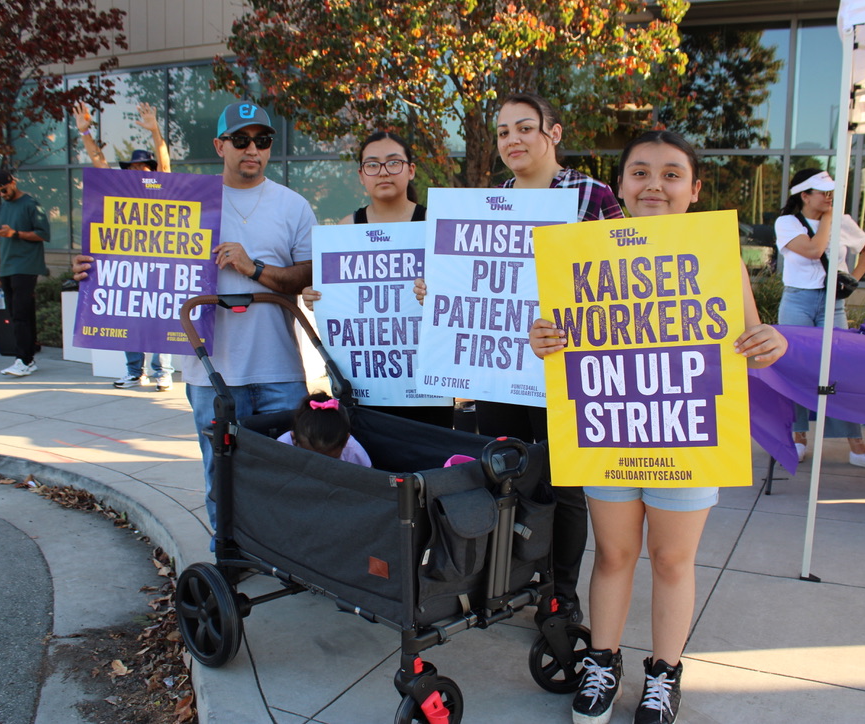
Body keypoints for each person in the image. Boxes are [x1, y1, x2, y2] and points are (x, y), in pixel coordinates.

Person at [528, 130, 787, 724]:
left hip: (686, 429)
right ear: (620, 185)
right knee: (613, 553)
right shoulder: (581, 252)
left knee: (672, 559)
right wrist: (541, 339)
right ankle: (603, 660)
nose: (654, 184)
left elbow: (754, 340)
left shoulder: (716, 254)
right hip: (609, 426)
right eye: (640, 172)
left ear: (694, 189)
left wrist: (772, 339)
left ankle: (664, 673)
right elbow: (552, 332)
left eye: (671, 174)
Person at [417, 92, 624, 626]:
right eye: (504, 131)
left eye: (524, 128)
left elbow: (621, 271)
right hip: (498, 366)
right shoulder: (493, 201)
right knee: (506, 471)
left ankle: (561, 595)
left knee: (565, 483)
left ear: (552, 134)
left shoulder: (591, 194)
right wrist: (438, 289)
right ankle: (509, 578)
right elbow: (474, 281)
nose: (512, 139)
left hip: (562, 365)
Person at [74, 101, 316, 532]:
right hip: (211, 371)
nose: (252, 150)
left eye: (262, 141)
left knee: (289, 477)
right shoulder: (185, 200)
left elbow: (307, 274)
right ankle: (229, 559)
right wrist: (95, 269)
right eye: (241, 140)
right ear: (219, 145)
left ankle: (286, 557)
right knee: (219, 476)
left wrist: (254, 268)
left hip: (280, 369)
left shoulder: (293, 205)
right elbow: (129, 243)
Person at [301, 131, 451, 427]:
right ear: (361, 175)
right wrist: (315, 297)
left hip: (427, 386)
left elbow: (455, 294)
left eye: (393, 163)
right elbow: (334, 299)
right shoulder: (346, 228)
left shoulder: (434, 224)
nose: (383, 172)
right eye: (373, 164)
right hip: (365, 387)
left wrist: (436, 294)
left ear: (410, 170)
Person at [774, 168, 865, 472]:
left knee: (840, 370)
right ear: (804, 195)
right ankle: (798, 438)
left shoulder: (841, 221)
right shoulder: (787, 222)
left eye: (832, 192)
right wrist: (829, 218)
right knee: (795, 368)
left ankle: (857, 447)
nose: (829, 197)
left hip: (833, 302)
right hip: (798, 298)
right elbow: (814, 251)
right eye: (822, 192)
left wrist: (851, 280)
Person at [74, 101, 176, 391]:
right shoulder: (120, 190)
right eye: (133, 167)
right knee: (129, 318)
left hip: (159, 265)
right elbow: (99, 164)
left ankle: (162, 372)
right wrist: (85, 133)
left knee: (161, 317)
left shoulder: (162, 191)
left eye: (143, 166)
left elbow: (166, 164)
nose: (138, 171)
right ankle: (134, 372)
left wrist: (155, 130)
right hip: (128, 265)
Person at [0, 169, 50, 378]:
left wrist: (15, 233)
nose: (3, 194)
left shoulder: (31, 204)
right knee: (17, 315)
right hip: (6, 267)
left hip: (25, 266)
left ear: (13, 183)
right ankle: (28, 357)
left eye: (4, 189)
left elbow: (43, 234)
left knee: (21, 314)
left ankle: (23, 359)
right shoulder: (3, 207)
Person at [276, 391, 372, 466]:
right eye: (309, 457)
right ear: (294, 439)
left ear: (345, 441)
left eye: (333, 459)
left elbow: (371, 480)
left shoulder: (351, 448)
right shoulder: (283, 445)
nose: (321, 465)